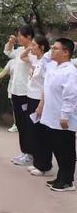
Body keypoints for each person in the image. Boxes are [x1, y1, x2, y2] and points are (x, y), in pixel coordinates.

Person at [36, 38, 77, 192]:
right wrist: (52, 49)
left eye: (56, 48)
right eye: (52, 47)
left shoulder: (70, 71)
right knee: (57, 148)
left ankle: (67, 181)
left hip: (63, 119)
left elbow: (71, 95)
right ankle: (61, 177)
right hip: (51, 116)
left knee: (66, 150)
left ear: (66, 53)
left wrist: (65, 116)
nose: (52, 50)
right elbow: (45, 59)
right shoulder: (53, 66)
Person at [20, 35, 53, 177]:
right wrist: (29, 47)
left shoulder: (47, 62)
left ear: (42, 47)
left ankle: (44, 165)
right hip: (31, 98)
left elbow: (47, 85)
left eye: (34, 45)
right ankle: (38, 163)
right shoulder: (36, 59)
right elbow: (22, 56)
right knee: (33, 133)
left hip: (40, 101)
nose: (31, 47)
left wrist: (41, 105)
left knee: (41, 133)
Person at [4, 25, 34, 166]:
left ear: (28, 37)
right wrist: (11, 41)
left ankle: (30, 153)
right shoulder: (19, 50)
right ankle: (24, 152)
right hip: (15, 92)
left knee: (27, 124)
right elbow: (8, 52)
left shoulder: (34, 50)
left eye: (20, 35)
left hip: (26, 93)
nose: (18, 38)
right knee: (20, 124)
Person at [0, 59, 18, 132]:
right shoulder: (12, 61)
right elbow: (4, 71)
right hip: (13, 87)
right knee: (15, 107)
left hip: (26, 88)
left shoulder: (30, 58)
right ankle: (16, 124)